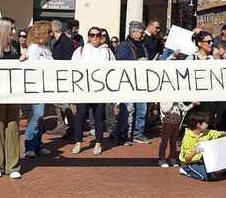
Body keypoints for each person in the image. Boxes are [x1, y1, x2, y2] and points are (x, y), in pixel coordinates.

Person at [0, 18, 22, 179]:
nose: (15, 32)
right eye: (12, 29)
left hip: (13, 94)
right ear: (4, 31)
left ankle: (13, 166)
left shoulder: (15, 48)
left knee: (13, 127)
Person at [71, 27, 115, 155]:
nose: (95, 37)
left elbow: (114, 69)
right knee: (80, 117)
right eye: (92, 35)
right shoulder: (81, 50)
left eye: (98, 35)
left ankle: (98, 143)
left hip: (99, 91)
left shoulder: (107, 51)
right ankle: (78, 143)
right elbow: (72, 68)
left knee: (99, 117)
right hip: (83, 90)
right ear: (88, 36)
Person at [115, 21, 151, 145]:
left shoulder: (142, 45)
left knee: (142, 109)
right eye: (141, 32)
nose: (143, 35)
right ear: (134, 32)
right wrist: (136, 63)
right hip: (128, 83)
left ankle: (137, 133)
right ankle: (123, 134)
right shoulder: (124, 46)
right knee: (127, 110)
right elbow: (120, 63)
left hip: (141, 82)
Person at [23, 20, 53, 158]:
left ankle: (38, 145)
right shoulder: (33, 48)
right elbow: (32, 68)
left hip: (45, 87)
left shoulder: (46, 48)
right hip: (36, 88)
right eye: (48, 32)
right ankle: (29, 146)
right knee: (36, 116)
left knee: (41, 118)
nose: (50, 35)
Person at [178, 111, 226, 181]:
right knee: (204, 177)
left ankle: (200, 169)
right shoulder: (187, 138)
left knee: (213, 176)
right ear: (198, 125)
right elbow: (186, 158)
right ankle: (186, 170)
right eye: (206, 123)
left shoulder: (207, 132)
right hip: (189, 163)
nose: (208, 124)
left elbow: (218, 133)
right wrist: (195, 151)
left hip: (201, 161)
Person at [47, 20, 76, 138]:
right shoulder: (58, 41)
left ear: (54, 29)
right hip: (58, 76)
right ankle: (62, 125)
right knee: (57, 101)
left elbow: (67, 60)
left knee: (62, 102)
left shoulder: (65, 42)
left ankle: (72, 125)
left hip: (63, 76)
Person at [158, 99, 191, 168]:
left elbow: (185, 108)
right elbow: (165, 110)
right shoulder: (164, 100)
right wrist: (172, 102)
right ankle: (161, 159)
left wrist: (192, 104)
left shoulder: (178, 100)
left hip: (177, 123)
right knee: (164, 141)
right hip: (167, 123)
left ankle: (172, 158)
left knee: (174, 141)